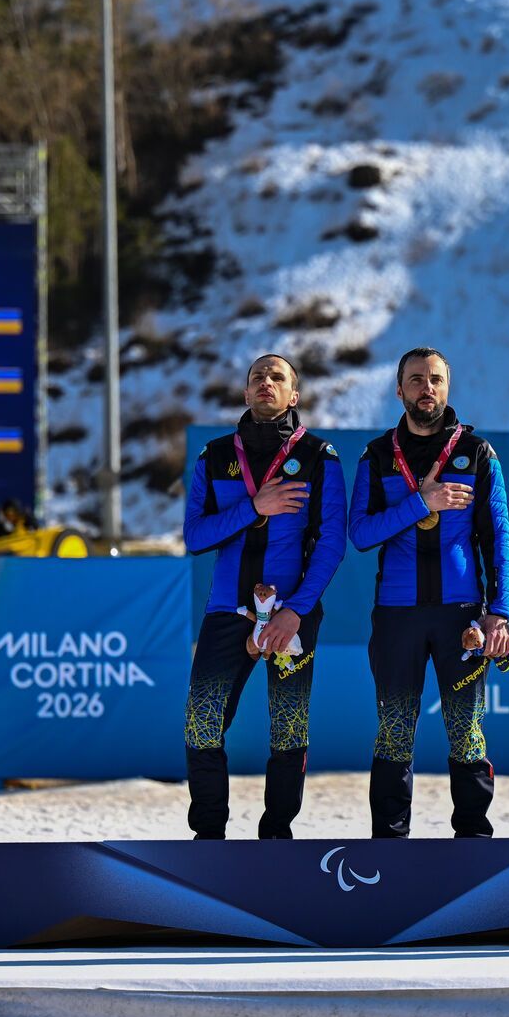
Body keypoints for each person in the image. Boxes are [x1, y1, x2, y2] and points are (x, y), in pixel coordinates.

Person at [349, 347, 509, 838]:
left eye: (436, 379)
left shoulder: (478, 453)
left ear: (448, 386)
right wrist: (421, 502)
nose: (427, 388)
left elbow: (498, 537)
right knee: (394, 733)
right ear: (399, 389)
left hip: (459, 616)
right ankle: (389, 845)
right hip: (396, 615)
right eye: (416, 379)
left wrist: (499, 611)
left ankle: (474, 840)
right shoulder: (376, 455)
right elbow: (360, 534)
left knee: (466, 732)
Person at [181, 353, 346, 838]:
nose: (266, 382)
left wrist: (296, 610)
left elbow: (332, 544)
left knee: (289, 728)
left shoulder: (319, 456)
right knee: (202, 723)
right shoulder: (214, 456)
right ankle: (208, 838)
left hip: (291, 614)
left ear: (294, 395)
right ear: (246, 391)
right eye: (257, 376)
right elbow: (194, 537)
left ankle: (277, 836)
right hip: (226, 611)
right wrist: (254, 507)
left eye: (277, 377)